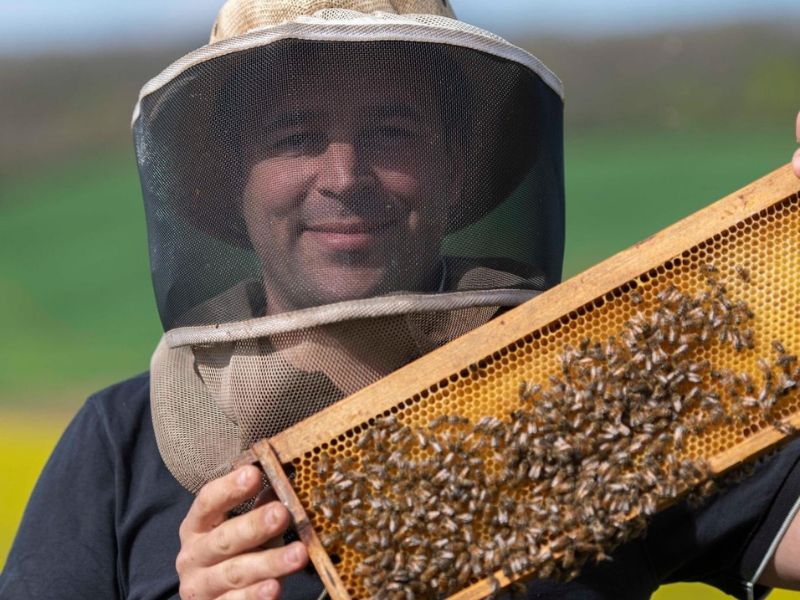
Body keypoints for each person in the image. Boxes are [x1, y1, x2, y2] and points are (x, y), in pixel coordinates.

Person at [1, 1, 800, 599]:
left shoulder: (591, 388)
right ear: (229, 185)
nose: (344, 177)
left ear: (456, 169)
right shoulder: (117, 446)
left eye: (392, 130)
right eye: (293, 136)